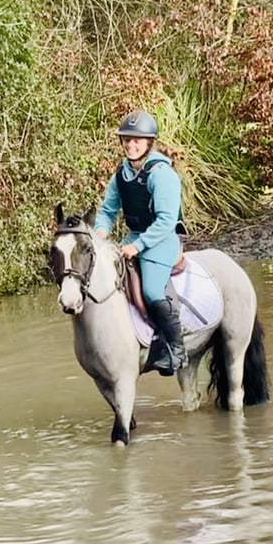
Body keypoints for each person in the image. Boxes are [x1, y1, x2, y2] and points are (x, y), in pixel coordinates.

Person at [94, 110, 186, 377]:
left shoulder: (162, 174)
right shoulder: (121, 175)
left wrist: (139, 246)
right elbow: (107, 211)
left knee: (152, 292)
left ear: (148, 143)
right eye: (127, 140)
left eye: (137, 140)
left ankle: (175, 350)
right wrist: (100, 233)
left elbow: (167, 220)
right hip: (133, 236)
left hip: (162, 239)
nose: (131, 145)